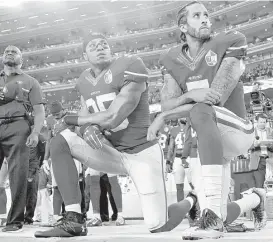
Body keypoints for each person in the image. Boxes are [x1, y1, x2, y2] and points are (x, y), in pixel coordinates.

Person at [34, 32, 205, 238]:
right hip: (111, 152)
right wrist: (84, 128)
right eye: (93, 46)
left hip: (142, 154)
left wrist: (73, 120)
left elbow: (113, 117)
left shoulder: (131, 64)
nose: (100, 47)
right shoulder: (83, 80)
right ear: (84, 55)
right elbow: (84, 116)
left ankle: (191, 201)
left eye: (104, 44)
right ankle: (74, 218)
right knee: (60, 141)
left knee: (159, 226)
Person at [147, 1, 266, 239]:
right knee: (220, 213)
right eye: (197, 15)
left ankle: (209, 216)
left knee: (202, 109)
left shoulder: (230, 41)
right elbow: (167, 101)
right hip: (209, 142)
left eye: (207, 15)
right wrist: (189, 94)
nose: (205, 19)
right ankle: (254, 199)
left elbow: (216, 98)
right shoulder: (171, 59)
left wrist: (165, 116)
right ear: (182, 25)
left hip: (238, 130)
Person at [0, 45, 45, 232]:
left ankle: (15, 221)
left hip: (19, 126)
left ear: (21, 59)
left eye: (15, 51)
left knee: (18, 174)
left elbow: (39, 110)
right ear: (2, 58)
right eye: (6, 51)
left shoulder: (31, 81)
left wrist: (35, 132)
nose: (10, 52)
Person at [250, 113, 273, 187]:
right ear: (256, 121)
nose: (263, 124)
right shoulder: (252, 132)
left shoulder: (270, 131)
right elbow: (247, 146)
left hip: (270, 159)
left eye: (264, 122)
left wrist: (270, 144)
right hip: (258, 161)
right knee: (259, 185)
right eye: (261, 122)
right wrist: (254, 145)